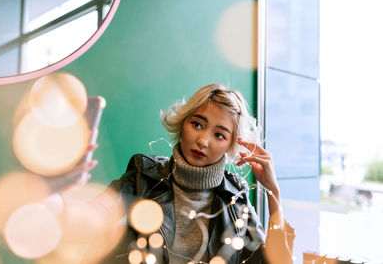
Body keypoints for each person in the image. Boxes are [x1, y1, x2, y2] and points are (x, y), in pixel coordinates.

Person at [47, 84, 294, 264]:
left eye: (219, 135)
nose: (203, 140)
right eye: (197, 124)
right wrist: (58, 191)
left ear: (231, 145)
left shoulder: (235, 198)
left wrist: (274, 196)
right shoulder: (142, 176)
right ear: (182, 123)